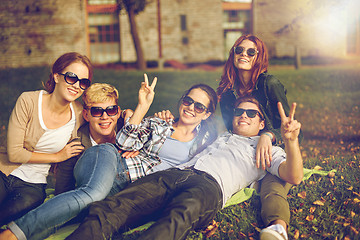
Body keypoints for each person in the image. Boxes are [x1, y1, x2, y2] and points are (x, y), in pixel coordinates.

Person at [0, 76, 218, 240]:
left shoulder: (205, 143)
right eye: (188, 101)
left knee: (78, 214)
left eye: (199, 106)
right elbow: (124, 144)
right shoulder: (159, 123)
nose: (191, 108)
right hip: (111, 160)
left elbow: (198, 178)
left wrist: (202, 212)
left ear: (207, 113)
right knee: (92, 194)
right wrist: (143, 105)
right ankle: (13, 233)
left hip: (132, 190)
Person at [64, 96, 303, 240]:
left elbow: (294, 175)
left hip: (210, 187)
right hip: (174, 175)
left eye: (252, 113)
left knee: (176, 218)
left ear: (262, 123)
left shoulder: (266, 148)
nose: (244, 116)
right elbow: (186, 130)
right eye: (240, 111)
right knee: (114, 206)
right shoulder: (219, 135)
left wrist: (290, 141)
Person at [217, 34, 303, 239]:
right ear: (233, 54)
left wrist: (268, 135)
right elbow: (232, 128)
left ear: (259, 57)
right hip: (243, 149)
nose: (244, 54)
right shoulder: (227, 92)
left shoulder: (269, 84)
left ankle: (277, 229)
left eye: (250, 51)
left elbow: (288, 126)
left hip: (274, 149)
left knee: (273, 187)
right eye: (239, 50)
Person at [0, 52, 92, 227]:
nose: (77, 86)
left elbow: (104, 118)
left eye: (83, 82)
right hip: (3, 171)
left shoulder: (79, 113)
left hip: (32, 187)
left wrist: (129, 114)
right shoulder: (28, 100)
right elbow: (14, 153)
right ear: (56, 76)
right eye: (72, 77)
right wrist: (57, 157)